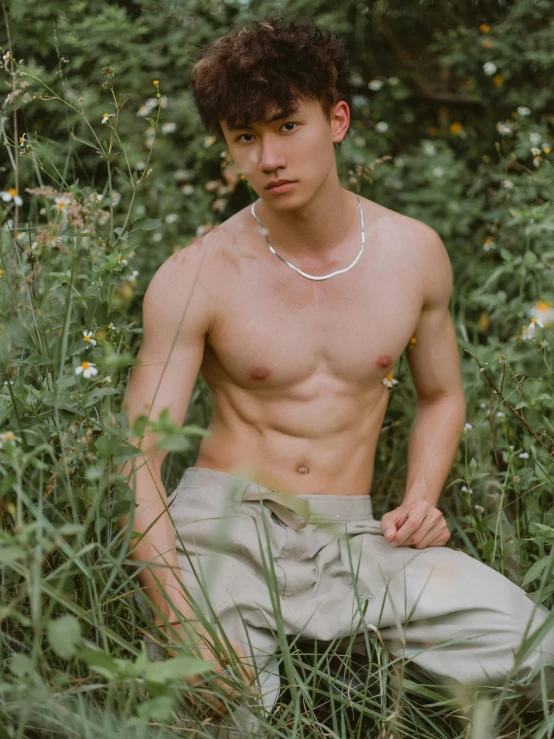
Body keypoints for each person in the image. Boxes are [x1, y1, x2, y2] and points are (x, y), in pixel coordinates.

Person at [119, 14, 554, 737]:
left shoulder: (414, 253)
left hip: (355, 536)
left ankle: (415, 699)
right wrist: (178, 608)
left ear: (338, 119)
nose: (268, 156)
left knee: (536, 648)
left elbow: (443, 396)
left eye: (287, 125)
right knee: (234, 715)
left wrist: (421, 499)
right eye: (244, 136)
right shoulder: (196, 274)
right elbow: (136, 461)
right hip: (225, 528)